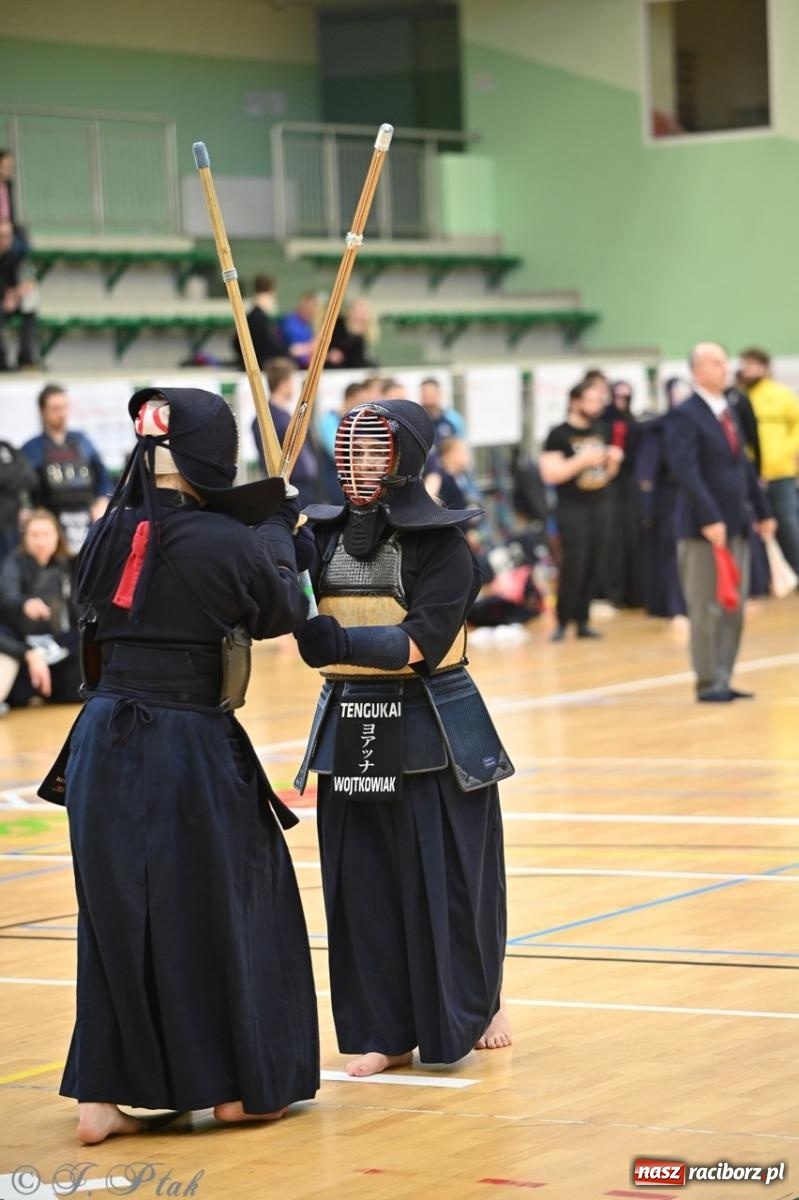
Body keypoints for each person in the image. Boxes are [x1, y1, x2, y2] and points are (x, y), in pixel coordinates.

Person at [39, 386, 319, 1144]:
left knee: (118, 915)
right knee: (228, 902)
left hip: (100, 741)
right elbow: (284, 615)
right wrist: (279, 535)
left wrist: (259, 533)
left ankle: (101, 1097)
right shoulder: (227, 542)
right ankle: (236, 1088)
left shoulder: (107, 532)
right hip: (186, 745)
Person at [293, 399, 513, 1077]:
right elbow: (268, 592)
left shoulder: (445, 546)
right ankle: (384, 1030)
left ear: (406, 460)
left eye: (375, 452)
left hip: (431, 722)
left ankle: (478, 1004)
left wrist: (341, 640)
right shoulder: (320, 534)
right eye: (352, 452)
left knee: (448, 878)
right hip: (356, 717)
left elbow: (422, 640)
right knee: (363, 881)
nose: (361, 465)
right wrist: (267, 536)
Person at [665, 343, 774, 702]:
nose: (725, 368)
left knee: (734, 607)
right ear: (697, 371)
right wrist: (709, 517)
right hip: (702, 530)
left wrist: (763, 511)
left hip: (737, 525)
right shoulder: (685, 414)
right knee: (707, 607)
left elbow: (743, 465)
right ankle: (708, 681)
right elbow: (686, 471)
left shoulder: (729, 409)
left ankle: (724, 677)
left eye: (725, 362)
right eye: (716, 362)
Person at [540, 376, 624, 641]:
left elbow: (603, 475)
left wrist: (613, 462)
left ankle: (583, 620)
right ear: (575, 401)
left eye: (599, 400)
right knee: (574, 564)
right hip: (572, 508)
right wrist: (582, 461)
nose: (596, 405)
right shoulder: (559, 434)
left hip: (600, 504)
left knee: (594, 563)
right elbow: (551, 474)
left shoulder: (600, 428)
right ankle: (563, 621)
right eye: (590, 400)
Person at [0, 508, 81, 709]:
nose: (41, 541)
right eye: (34, 535)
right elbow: (7, 595)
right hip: (20, 644)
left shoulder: (68, 566)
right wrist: (25, 603)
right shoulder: (14, 564)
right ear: (25, 538)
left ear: (57, 537)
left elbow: (79, 612)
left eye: (46, 534)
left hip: (57, 644)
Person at [22, 384, 112, 553]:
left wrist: (102, 500)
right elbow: (24, 490)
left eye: (65, 407)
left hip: (87, 520)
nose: (62, 413)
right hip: (52, 526)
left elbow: (102, 475)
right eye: (55, 408)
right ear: (42, 412)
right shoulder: (31, 449)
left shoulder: (82, 441)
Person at [737, 346, 799, 575]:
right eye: (744, 366)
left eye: (751, 365)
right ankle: (766, 578)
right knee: (755, 527)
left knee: (788, 524)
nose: (747, 370)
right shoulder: (740, 398)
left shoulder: (781, 394)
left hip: (780, 472)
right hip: (751, 474)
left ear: (764, 367)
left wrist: (789, 453)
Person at [251, 358, 319, 507]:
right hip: (289, 487)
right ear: (284, 383)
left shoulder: (284, 415)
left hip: (303, 485)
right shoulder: (268, 419)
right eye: (291, 381)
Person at [0, 218, 37, 371]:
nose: (5, 240)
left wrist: (14, 296)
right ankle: (1, 361)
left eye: (8, 236)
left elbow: (28, 281)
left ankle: (25, 358)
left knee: (30, 307)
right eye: (2, 236)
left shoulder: (14, 257)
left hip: (10, 301)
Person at [231, 274, 287, 370]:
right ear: (270, 294)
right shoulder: (257, 318)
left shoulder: (252, 316)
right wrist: (290, 350)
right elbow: (267, 347)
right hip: (257, 369)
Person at [327, 297, 379, 370]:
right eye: (357, 312)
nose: (359, 316)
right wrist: (329, 354)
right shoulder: (337, 326)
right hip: (335, 368)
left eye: (363, 313)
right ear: (349, 312)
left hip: (352, 368)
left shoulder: (364, 335)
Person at [280, 292, 318, 368]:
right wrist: (312, 346)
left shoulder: (307, 324)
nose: (313, 311)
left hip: (307, 366)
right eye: (310, 307)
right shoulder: (290, 323)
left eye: (314, 307)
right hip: (292, 367)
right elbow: (293, 350)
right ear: (302, 306)